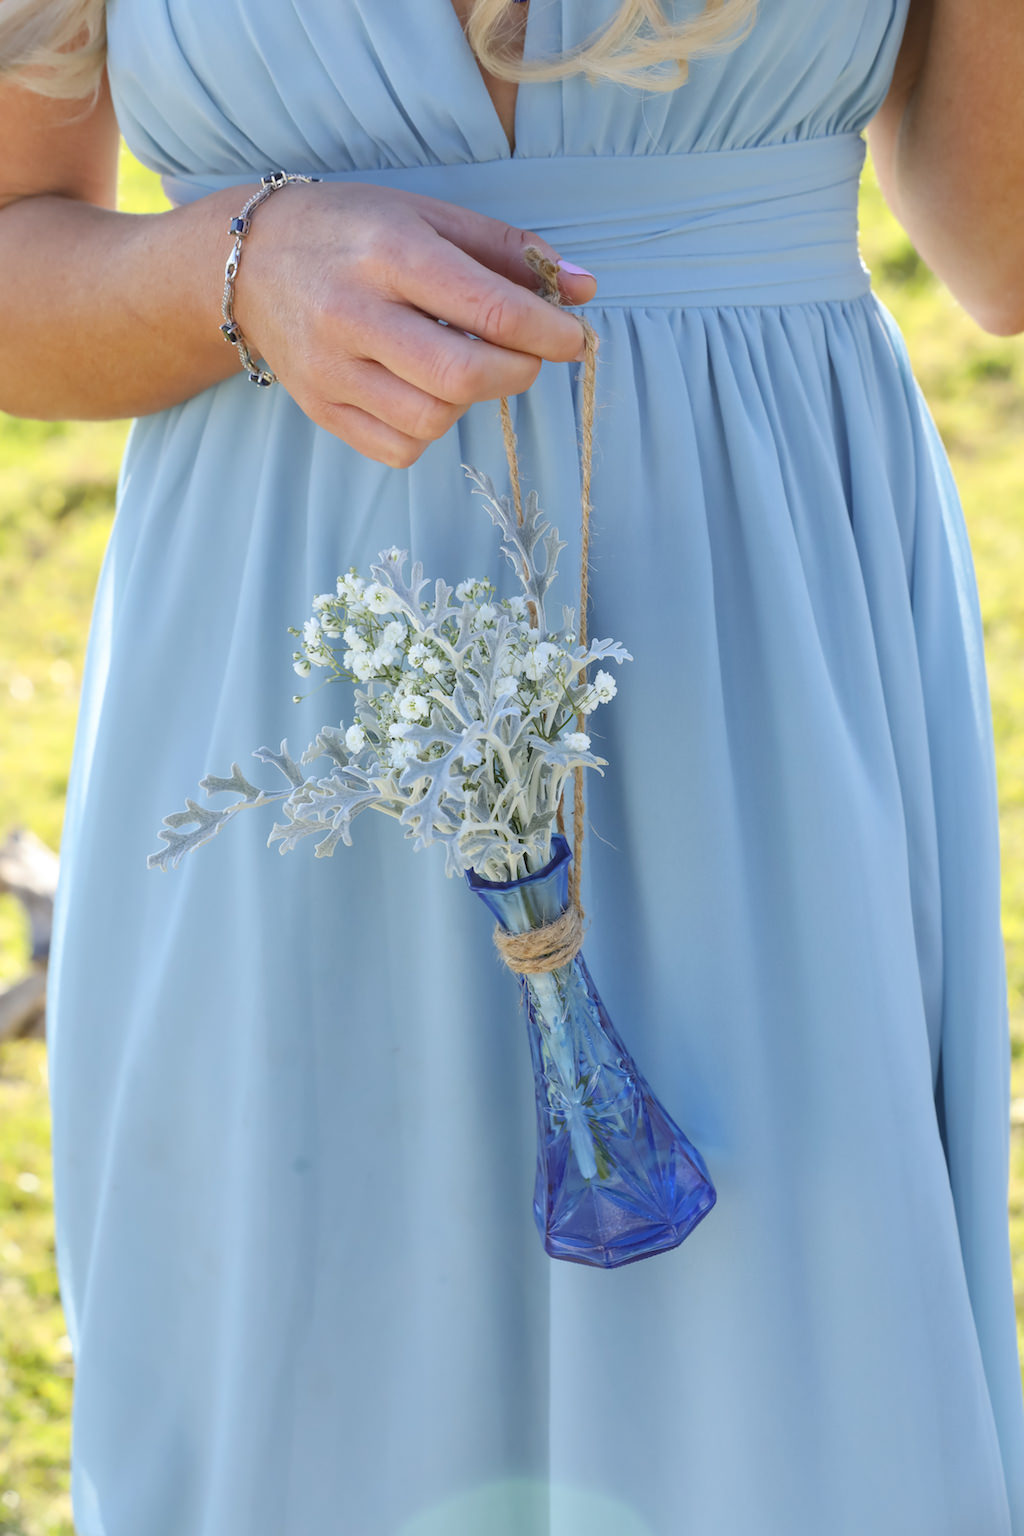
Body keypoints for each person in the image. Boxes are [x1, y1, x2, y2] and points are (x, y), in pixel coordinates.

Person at [2, 1, 1023, 1532]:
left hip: (765, 710)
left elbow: (999, 249)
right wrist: (231, 266)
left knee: (795, 1422)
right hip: (296, 709)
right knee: (302, 1411)